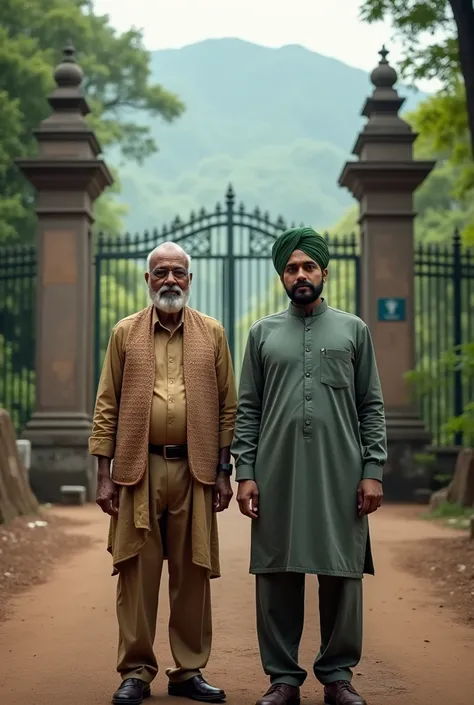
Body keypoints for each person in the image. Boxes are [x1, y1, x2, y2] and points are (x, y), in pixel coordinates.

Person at [231, 227, 387, 705]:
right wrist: (246, 472)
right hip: (277, 473)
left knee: (342, 573)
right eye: (292, 268)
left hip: (341, 472)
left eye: (309, 267)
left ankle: (338, 676)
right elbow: (248, 409)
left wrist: (372, 470)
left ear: (324, 272)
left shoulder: (353, 329)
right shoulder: (262, 334)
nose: (301, 275)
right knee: (276, 573)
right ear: (282, 275)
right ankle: (282, 679)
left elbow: (371, 406)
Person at [89, 242, 237, 705]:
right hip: (138, 469)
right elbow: (106, 404)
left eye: (178, 272)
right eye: (160, 273)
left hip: (195, 472)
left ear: (190, 281)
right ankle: (135, 670)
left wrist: (223, 470)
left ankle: (189, 670)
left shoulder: (211, 333)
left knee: (193, 571)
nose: (169, 280)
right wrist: (103, 473)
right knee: (137, 573)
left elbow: (228, 406)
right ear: (147, 280)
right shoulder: (124, 333)